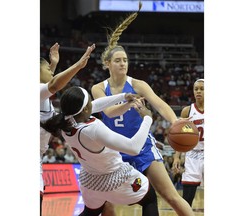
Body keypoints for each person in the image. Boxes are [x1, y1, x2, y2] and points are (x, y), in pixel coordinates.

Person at [91, 2, 193, 215]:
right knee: (105, 203)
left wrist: (176, 122)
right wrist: (129, 101)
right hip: (114, 150)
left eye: (125, 60)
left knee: (170, 195)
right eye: (118, 60)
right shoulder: (98, 88)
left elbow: (160, 105)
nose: (123, 64)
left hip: (142, 147)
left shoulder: (138, 84)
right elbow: (109, 112)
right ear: (107, 64)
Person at [41, 86, 194, 216]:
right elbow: (133, 148)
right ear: (85, 109)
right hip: (115, 178)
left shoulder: (65, 122)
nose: (92, 104)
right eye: (89, 101)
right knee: (150, 198)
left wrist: (122, 96)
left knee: (91, 212)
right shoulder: (93, 129)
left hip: (90, 182)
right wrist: (147, 118)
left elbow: (95, 105)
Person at [40, 42, 95, 215]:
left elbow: (49, 83)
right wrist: (78, 65)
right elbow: (54, 84)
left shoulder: (43, 98)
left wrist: (53, 64)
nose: (51, 70)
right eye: (47, 68)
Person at [172, 79, 204, 207]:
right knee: (187, 199)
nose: (198, 91)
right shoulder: (188, 111)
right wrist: (176, 157)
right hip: (193, 155)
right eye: (196, 89)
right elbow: (180, 137)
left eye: (202, 89)